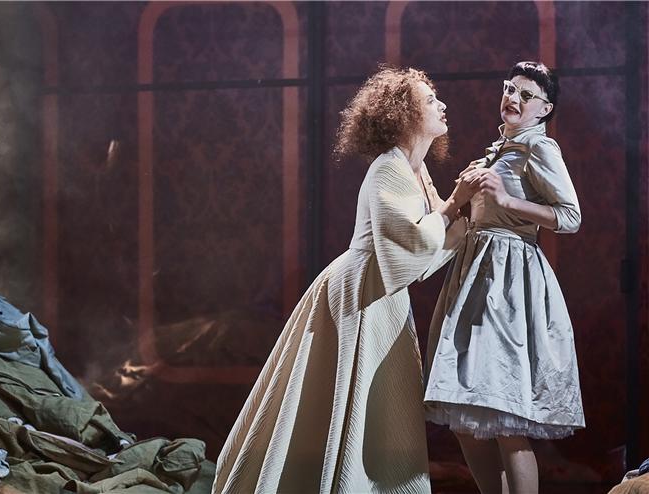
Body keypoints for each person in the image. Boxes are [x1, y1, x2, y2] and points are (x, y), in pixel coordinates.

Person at [212, 66, 477, 494]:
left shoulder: (417, 171)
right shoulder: (388, 167)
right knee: (347, 397)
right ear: (404, 115)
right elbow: (407, 240)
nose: (442, 105)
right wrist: (454, 206)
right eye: (430, 100)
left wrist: (463, 218)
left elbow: (422, 253)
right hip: (361, 290)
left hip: (381, 290)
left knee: (378, 400)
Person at [424, 61, 585, 494]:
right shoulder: (500, 149)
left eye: (526, 94)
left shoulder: (540, 148)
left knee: (505, 416)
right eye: (510, 88)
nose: (513, 98)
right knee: (465, 415)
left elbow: (570, 217)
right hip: (476, 275)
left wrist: (507, 200)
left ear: (544, 108)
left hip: (510, 281)